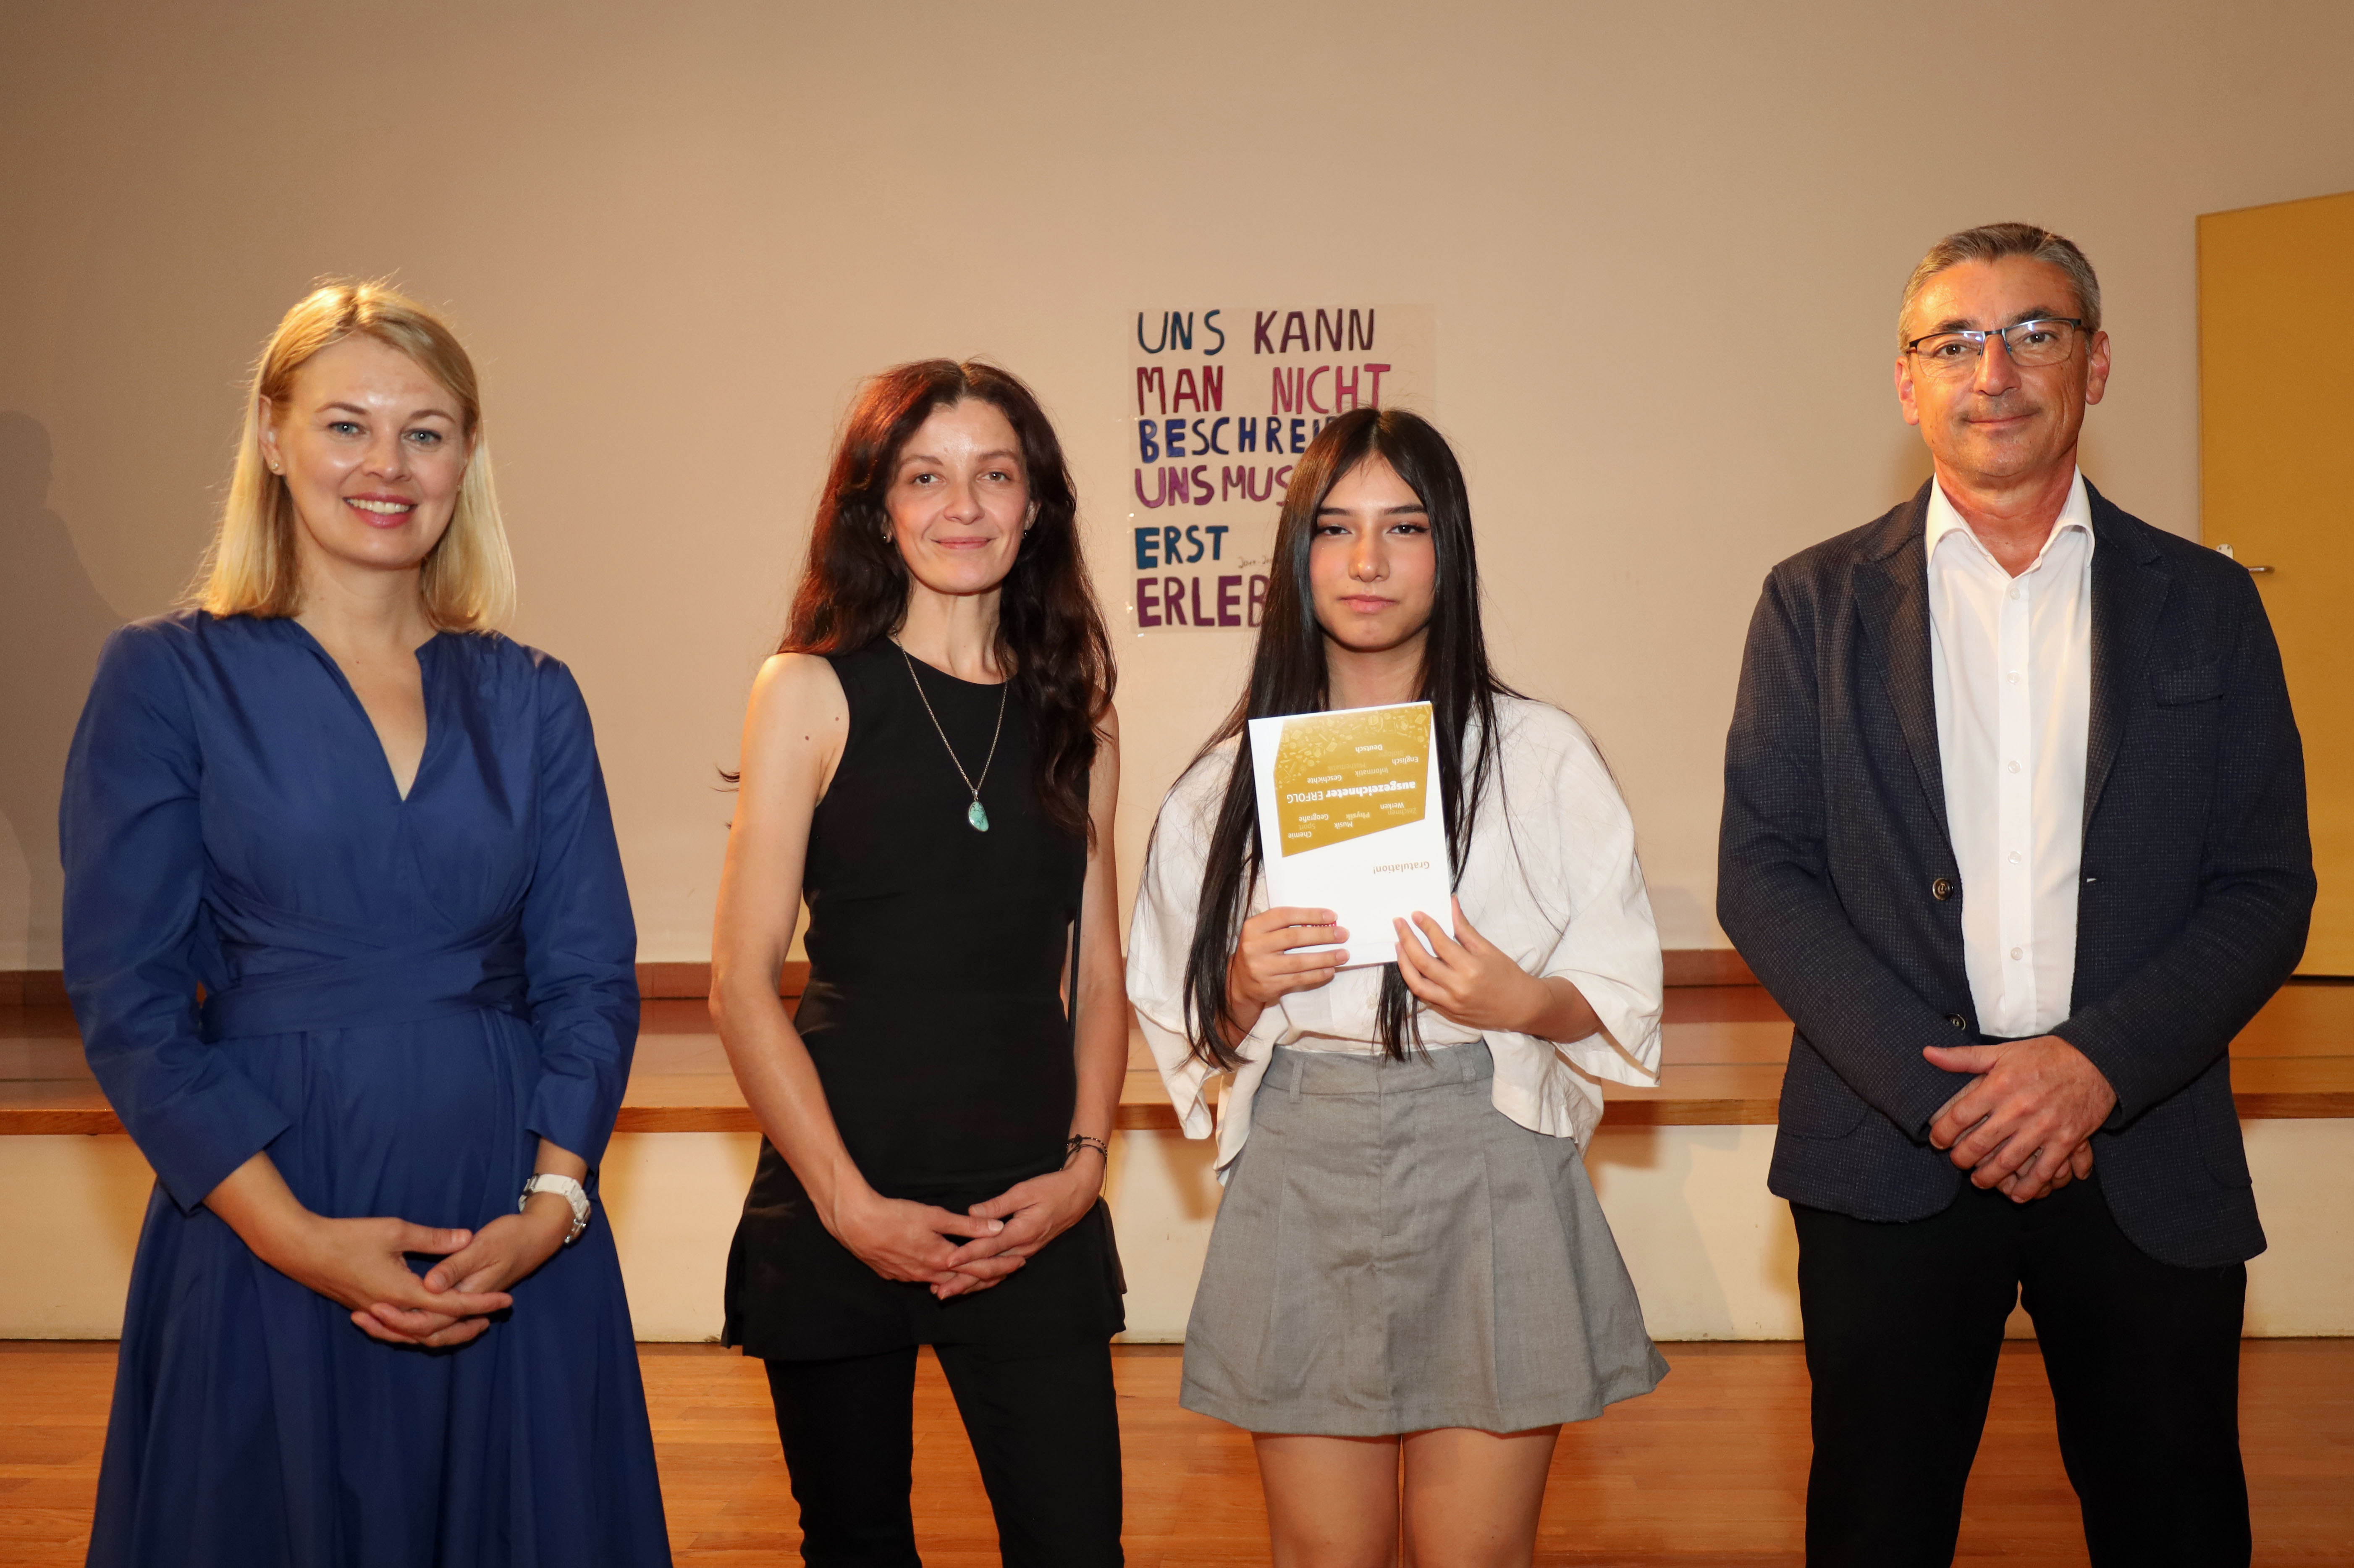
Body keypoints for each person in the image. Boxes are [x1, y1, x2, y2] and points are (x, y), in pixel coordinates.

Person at [1719, 223, 2313, 1568]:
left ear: (2097, 366)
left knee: (2178, 1527)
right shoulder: (1810, 605)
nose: (1994, 370)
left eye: (2035, 332)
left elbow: (2269, 885)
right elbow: (1762, 874)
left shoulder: (2210, 607)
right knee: (1876, 1527)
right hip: (1889, 1149)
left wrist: (2092, 1068)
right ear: (1907, 381)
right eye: (1954, 342)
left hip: (2141, 1142)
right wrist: (1954, 1101)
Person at [60, 281, 669, 1566]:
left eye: (427, 431)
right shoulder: (167, 677)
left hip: (510, 1236)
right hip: (266, 1222)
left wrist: (552, 1206)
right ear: (274, 438)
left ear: (467, 461)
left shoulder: (535, 698)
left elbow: (589, 978)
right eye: (347, 425)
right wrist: (296, 1240)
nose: (386, 465)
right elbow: (129, 998)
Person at [1127, 406, 1668, 1568]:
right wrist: (1239, 988)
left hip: (1488, 1148)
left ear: (1450, 550)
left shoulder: (1539, 755)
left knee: (1475, 1558)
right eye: (1336, 529)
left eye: (1404, 528)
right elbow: (1187, 1028)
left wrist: (1523, 1002)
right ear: (1296, 556)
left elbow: (1618, 987)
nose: (1368, 562)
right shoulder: (1223, 783)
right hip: (1303, 1150)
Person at [711, 360, 1127, 1564]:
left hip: (1029, 1210)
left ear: (1036, 502)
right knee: (857, 1548)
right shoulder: (806, 693)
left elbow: (1097, 977)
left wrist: (1083, 1170)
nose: (964, 506)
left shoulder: (1079, 715)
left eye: (995, 475)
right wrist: (849, 1205)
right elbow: (741, 985)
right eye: (926, 476)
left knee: (1074, 1546)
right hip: (844, 1196)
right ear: (877, 507)